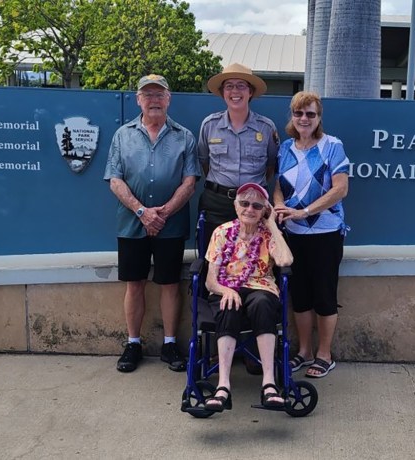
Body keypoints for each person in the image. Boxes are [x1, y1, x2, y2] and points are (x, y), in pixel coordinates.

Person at [104, 74, 201, 373]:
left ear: (169, 99)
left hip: (171, 225)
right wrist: (141, 212)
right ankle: (133, 343)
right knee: (134, 283)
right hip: (131, 224)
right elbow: (114, 179)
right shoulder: (122, 135)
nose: (154, 100)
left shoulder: (184, 136)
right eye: (148, 95)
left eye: (160, 94)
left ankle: (170, 344)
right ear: (138, 100)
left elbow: (190, 182)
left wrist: (163, 214)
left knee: (170, 283)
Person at [197, 62, 280, 375]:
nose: (235, 91)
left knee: (256, 269)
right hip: (218, 202)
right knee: (215, 271)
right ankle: (218, 348)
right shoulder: (209, 125)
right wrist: (228, 194)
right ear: (222, 93)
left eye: (241, 86)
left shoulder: (266, 128)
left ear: (251, 93)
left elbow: (270, 166)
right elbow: (205, 162)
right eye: (229, 86)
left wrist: (249, 202)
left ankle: (252, 350)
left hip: (253, 206)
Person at [273, 91, 350, 379]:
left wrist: (304, 212)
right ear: (292, 116)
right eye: (299, 113)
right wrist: (279, 206)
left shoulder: (333, 146)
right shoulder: (285, 148)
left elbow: (340, 189)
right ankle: (304, 352)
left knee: (324, 295)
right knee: (301, 296)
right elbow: (278, 185)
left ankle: (324, 355)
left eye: (310, 114)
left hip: (325, 233)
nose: (304, 119)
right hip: (293, 235)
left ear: (319, 118)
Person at [202, 183, 294, 412]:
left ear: (264, 210)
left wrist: (272, 225)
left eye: (257, 206)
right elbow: (210, 281)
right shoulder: (222, 232)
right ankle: (223, 386)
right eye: (244, 203)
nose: (250, 209)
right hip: (226, 289)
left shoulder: (267, 234)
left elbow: (285, 260)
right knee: (228, 305)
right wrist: (226, 290)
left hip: (261, 288)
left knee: (262, 303)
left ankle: (269, 384)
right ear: (236, 206)